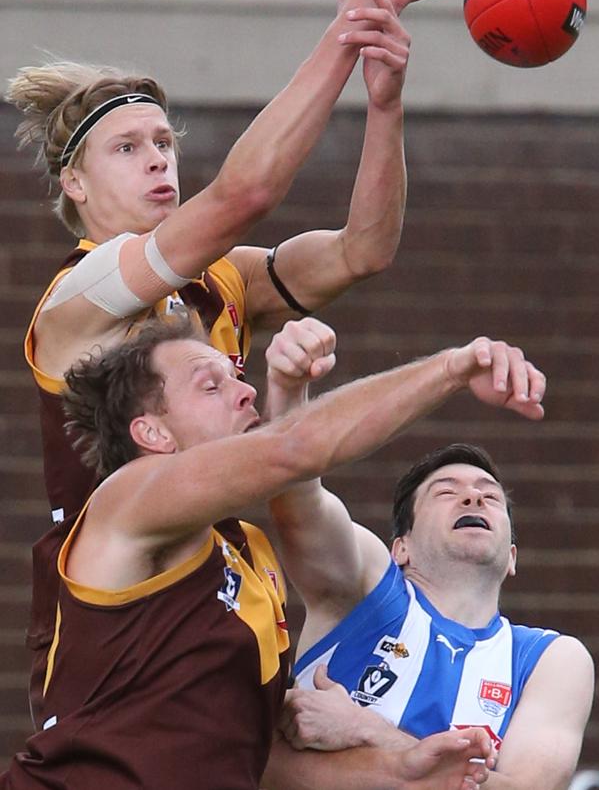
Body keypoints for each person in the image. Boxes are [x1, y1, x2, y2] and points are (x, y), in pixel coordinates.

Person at [1, 313, 546, 789]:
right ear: (153, 432)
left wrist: (399, 771)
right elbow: (294, 450)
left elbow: (257, 756)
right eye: (210, 386)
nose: (246, 392)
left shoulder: (248, 551)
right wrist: (451, 367)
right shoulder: (130, 496)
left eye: (238, 377)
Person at [6, 0, 445, 523]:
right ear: (75, 182)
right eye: (127, 148)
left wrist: (385, 106)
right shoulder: (81, 289)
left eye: (164, 142)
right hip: (119, 602)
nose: (158, 161)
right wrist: (345, 38)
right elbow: (245, 196)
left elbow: (363, 249)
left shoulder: (224, 277)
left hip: (214, 569)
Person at [258, 319, 595, 790]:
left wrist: (365, 730)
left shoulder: (551, 659)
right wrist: (288, 391)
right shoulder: (366, 589)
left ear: (513, 555)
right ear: (401, 547)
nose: (473, 499)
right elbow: (298, 500)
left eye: (489, 496)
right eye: (446, 492)